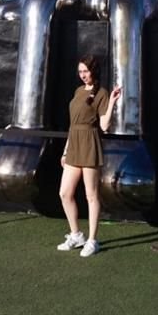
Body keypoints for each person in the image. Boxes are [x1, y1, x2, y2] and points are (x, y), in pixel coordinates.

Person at [57, 56, 121, 258]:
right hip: (74, 144)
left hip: (90, 144)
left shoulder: (101, 93)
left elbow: (103, 126)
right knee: (64, 193)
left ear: (93, 71)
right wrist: (66, 150)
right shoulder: (78, 91)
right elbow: (72, 124)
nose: (82, 75)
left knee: (91, 195)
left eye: (85, 71)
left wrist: (111, 102)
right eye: (80, 71)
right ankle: (76, 235)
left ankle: (93, 240)